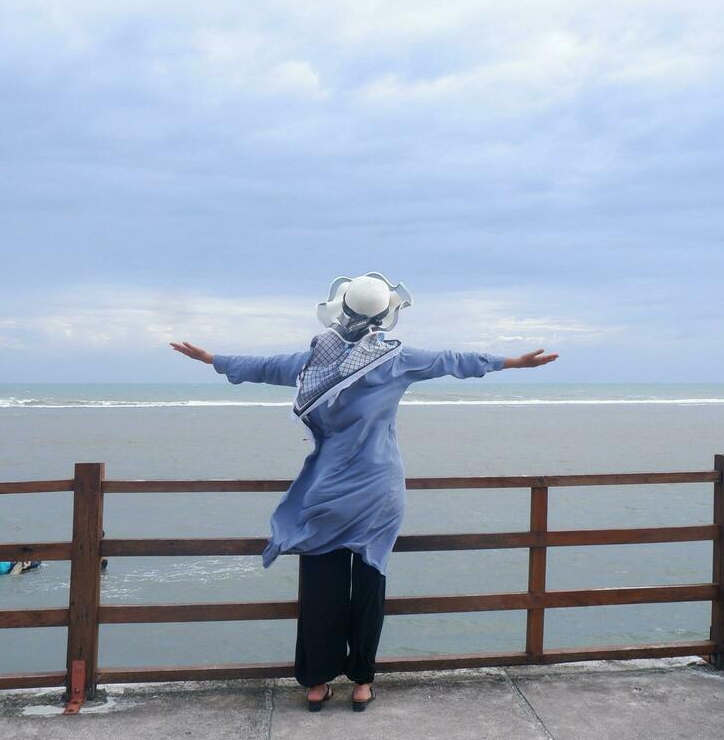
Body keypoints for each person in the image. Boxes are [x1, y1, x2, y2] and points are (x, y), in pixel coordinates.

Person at [171, 272, 556, 712]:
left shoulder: (315, 362)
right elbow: (454, 359)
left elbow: (263, 366)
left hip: (329, 491)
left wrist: (213, 358)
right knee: (370, 583)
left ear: (341, 310)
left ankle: (316, 685)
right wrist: (513, 362)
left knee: (320, 586)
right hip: (379, 489)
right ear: (387, 316)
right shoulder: (396, 359)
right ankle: (362, 683)